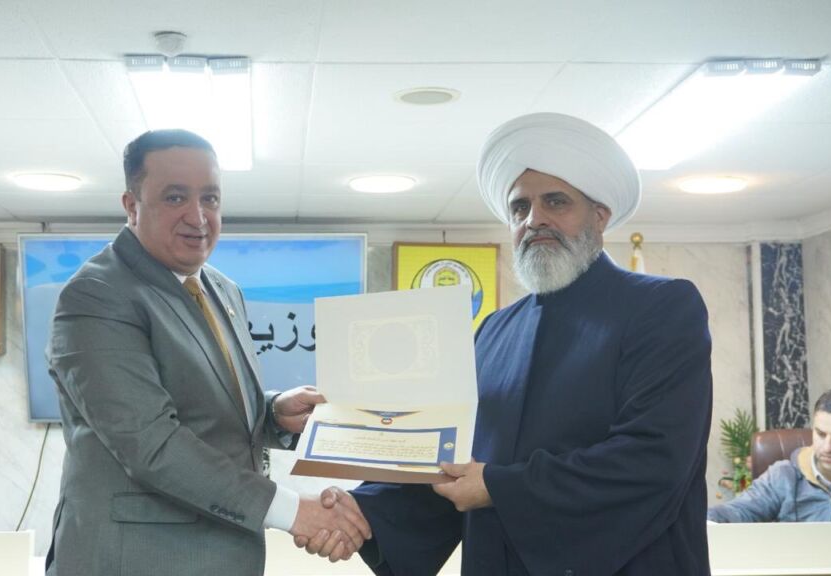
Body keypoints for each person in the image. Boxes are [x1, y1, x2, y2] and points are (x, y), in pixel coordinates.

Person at [301, 112, 714, 575]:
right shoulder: (493, 331)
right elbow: (454, 464)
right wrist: (363, 511)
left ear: (600, 216)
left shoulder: (661, 307)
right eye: (520, 208)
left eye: (556, 202)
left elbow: (653, 460)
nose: (534, 220)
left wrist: (497, 487)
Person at [44, 129, 370, 576]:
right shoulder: (98, 294)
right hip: (137, 561)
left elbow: (203, 408)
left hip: (226, 554)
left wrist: (273, 413)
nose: (198, 217)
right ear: (131, 205)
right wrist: (295, 511)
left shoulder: (221, 288)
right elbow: (152, 444)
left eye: (210, 198)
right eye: (175, 197)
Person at [708, 388, 831, 523]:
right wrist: (708, 519)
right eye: (821, 434)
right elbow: (739, 510)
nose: (827, 448)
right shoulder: (784, 476)